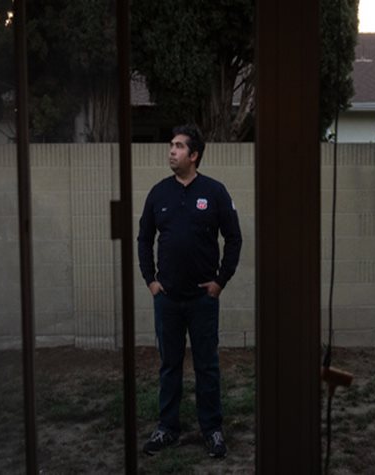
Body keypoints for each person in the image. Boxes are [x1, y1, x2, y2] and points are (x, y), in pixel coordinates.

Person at [137, 124, 242, 458]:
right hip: (167, 298)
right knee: (169, 366)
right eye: (171, 145)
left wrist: (220, 281)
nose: (172, 151)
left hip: (202, 300)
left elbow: (234, 238)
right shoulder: (159, 193)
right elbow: (144, 238)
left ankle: (212, 430)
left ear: (194, 155)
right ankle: (167, 428)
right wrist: (151, 281)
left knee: (207, 366)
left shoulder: (214, 192)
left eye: (179, 146)